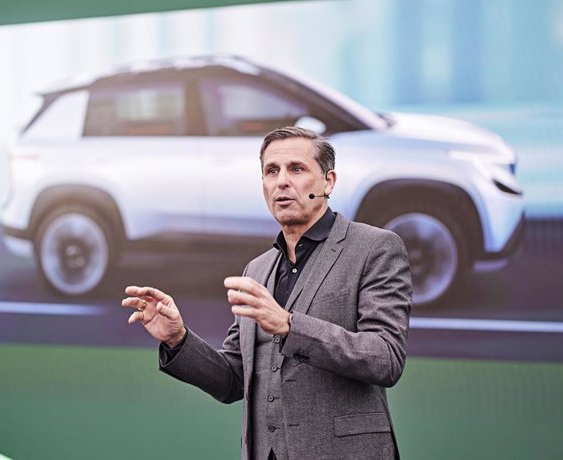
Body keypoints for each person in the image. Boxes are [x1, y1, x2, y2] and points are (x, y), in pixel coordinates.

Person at [122, 126, 412, 459]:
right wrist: (178, 339)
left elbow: (385, 358)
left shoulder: (375, 248)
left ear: (328, 182)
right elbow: (233, 379)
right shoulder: (257, 270)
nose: (282, 181)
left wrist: (290, 325)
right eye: (271, 171)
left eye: (297, 169)